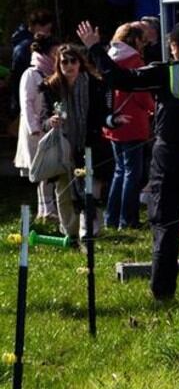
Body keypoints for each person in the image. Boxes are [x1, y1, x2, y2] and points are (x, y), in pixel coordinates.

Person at [82, 20, 179, 299]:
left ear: (175, 47)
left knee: (166, 226)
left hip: (169, 160)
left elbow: (121, 79)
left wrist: (94, 48)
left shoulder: (167, 72)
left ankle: (163, 292)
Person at [40, 44, 110, 242]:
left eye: (73, 61)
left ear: (80, 63)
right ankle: (70, 235)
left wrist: (112, 120)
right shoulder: (50, 87)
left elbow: (102, 114)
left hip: (88, 144)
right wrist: (49, 122)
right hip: (61, 147)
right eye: (64, 62)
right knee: (63, 191)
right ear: (58, 64)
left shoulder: (93, 84)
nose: (69, 65)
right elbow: (43, 118)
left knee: (91, 190)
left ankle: (91, 232)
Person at [102, 23, 155, 230]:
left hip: (114, 122)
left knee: (119, 171)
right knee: (132, 172)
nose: (145, 44)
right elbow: (141, 93)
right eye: (142, 39)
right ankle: (128, 219)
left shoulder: (110, 58)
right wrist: (153, 107)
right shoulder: (134, 61)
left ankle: (111, 218)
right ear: (134, 40)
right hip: (133, 123)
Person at [13, 15, 58, 224]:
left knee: (48, 170)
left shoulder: (50, 74)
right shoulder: (31, 74)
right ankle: (45, 209)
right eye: (54, 53)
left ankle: (46, 210)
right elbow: (26, 103)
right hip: (35, 131)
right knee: (43, 171)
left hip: (47, 127)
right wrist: (34, 128)